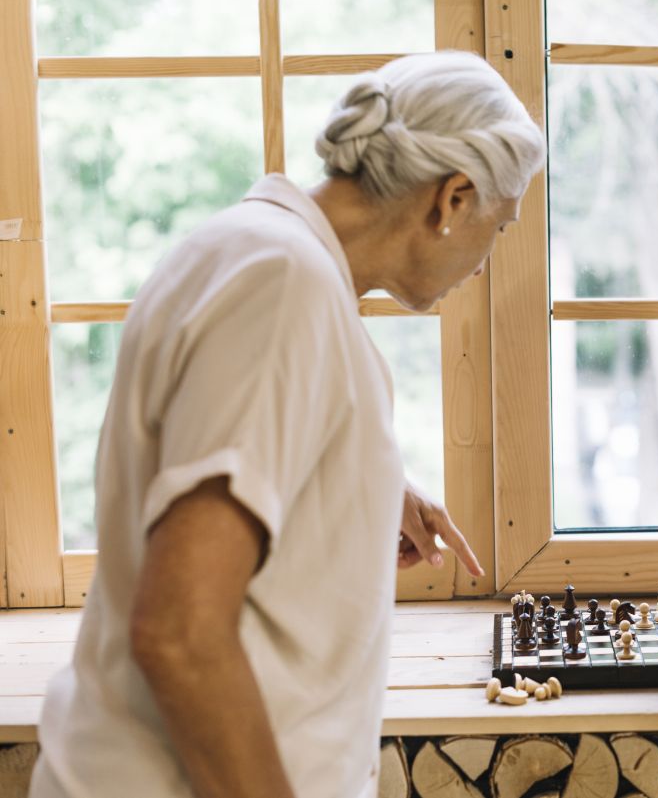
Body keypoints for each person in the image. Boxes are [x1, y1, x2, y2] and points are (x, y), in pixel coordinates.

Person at [31, 51, 544, 798]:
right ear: (453, 199)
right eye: (500, 227)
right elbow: (179, 633)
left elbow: (202, 441)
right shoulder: (284, 285)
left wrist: (359, 483)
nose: (487, 261)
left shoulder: (249, 249)